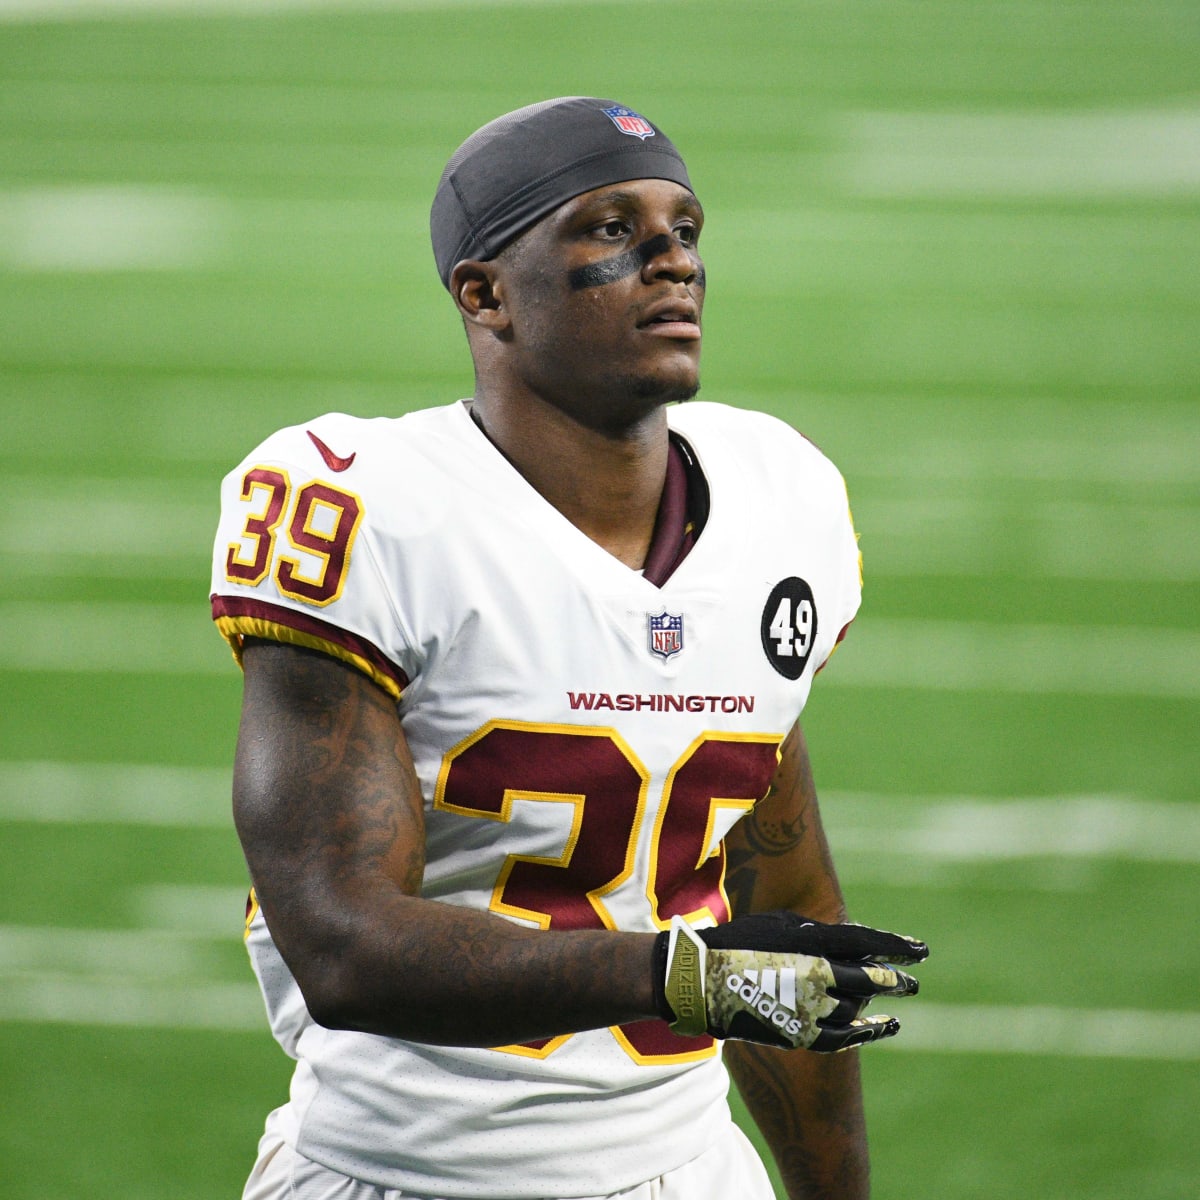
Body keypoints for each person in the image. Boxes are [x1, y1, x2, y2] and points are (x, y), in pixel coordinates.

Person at [210, 96, 928, 1200]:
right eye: (609, 228)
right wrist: (674, 973)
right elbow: (343, 945)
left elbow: (780, 897)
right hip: (402, 1172)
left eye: (685, 230)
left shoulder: (782, 497)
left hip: (689, 1167)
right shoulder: (369, 507)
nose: (671, 261)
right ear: (485, 292)